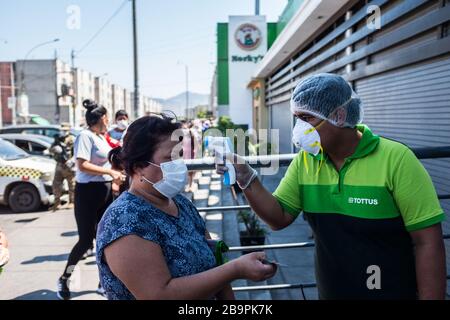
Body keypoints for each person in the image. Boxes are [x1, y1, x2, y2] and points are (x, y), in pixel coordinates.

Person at [216, 73, 446, 300]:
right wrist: (246, 177)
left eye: (308, 118)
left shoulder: (397, 159)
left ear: (339, 115)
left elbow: (427, 241)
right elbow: (279, 216)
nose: (299, 129)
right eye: (297, 117)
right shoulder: (305, 161)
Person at [96, 115, 277, 300]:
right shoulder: (123, 221)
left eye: (180, 155)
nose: (179, 164)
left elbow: (213, 262)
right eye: (170, 158)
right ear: (139, 167)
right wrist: (235, 269)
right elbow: (160, 295)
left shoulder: (180, 203)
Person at [57, 99, 126, 300]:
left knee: (105, 240)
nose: (108, 121)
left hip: (104, 193)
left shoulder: (101, 137)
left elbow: (109, 162)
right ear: (100, 118)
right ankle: (64, 278)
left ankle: (103, 283)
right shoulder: (85, 136)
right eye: (106, 117)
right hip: (87, 194)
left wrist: (115, 173)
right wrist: (109, 172)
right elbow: (82, 165)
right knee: (85, 241)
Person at [49, 131, 75, 211]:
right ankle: (57, 203)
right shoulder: (57, 140)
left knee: (72, 185)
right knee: (56, 184)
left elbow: (76, 151)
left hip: (68, 165)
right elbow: (51, 150)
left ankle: (72, 202)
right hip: (59, 164)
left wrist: (71, 161)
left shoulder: (72, 139)